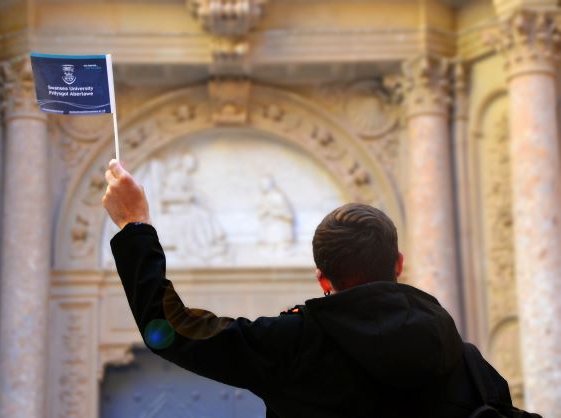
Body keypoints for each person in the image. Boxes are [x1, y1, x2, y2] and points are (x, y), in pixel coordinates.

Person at [102, 159, 516, 418]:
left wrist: (133, 226)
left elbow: (170, 330)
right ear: (399, 265)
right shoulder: (467, 365)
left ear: (323, 279)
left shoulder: (293, 346)